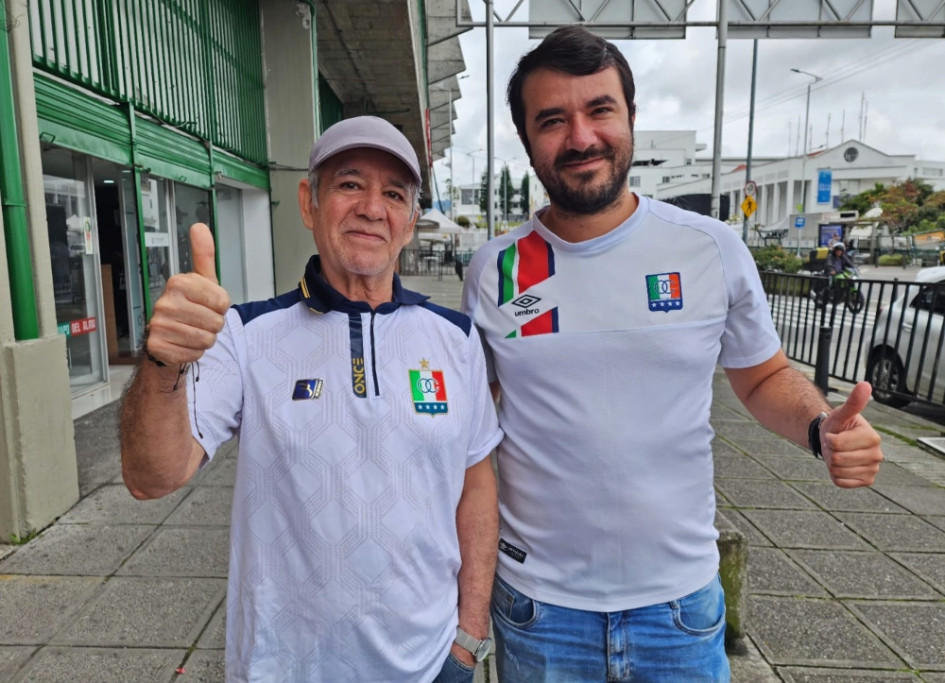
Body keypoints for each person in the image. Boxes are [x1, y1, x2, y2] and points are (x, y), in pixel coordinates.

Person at [461, 26, 884, 682]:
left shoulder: (709, 248)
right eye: (552, 120)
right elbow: (470, 424)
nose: (580, 137)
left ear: (630, 115)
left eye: (600, 109)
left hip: (678, 607)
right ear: (526, 138)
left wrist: (818, 426)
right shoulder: (494, 269)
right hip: (540, 609)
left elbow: (763, 375)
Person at [120, 116, 503, 682]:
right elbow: (152, 476)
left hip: (429, 666)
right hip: (282, 667)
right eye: (350, 184)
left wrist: (468, 638)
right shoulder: (246, 334)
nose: (372, 208)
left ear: (410, 222)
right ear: (309, 202)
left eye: (394, 194)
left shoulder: (456, 338)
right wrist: (163, 365)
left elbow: (477, 485)